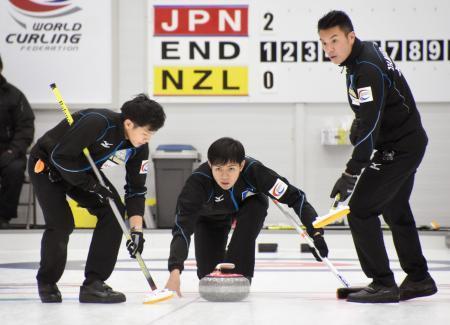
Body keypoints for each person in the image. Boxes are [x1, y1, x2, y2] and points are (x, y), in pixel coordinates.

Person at [318, 10, 437, 303]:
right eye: (323, 43)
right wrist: (360, 124)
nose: (329, 49)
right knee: (395, 210)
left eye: (334, 40)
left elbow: (371, 125)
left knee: (360, 209)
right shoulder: (357, 60)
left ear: (350, 37)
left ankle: (383, 282)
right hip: (405, 142)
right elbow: (373, 112)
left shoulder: (366, 68)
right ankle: (419, 278)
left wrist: (351, 172)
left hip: (400, 148)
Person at [28, 94, 165, 303]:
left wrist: (137, 230)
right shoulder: (98, 123)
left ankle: (94, 283)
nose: (148, 138)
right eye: (146, 132)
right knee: (62, 223)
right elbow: (60, 157)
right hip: (48, 166)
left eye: (152, 134)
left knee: (113, 210)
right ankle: (47, 281)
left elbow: (137, 189)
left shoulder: (139, 148)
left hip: (82, 171)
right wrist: (92, 186)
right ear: (129, 123)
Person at [164, 137, 328, 296]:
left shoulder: (255, 172)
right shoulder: (198, 183)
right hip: (209, 217)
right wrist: (175, 270)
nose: (225, 176)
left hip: (247, 209)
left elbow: (296, 197)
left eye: (231, 168)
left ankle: (239, 265)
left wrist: (316, 232)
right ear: (209, 165)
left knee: (256, 206)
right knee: (208, 279)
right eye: (218, 169)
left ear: (241, 165)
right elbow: (182, 227)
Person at [0, 54, 35, 229]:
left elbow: (26, 128)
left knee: (14, 169)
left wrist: (12, 152)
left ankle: (3, 217)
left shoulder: (14, 96)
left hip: (10, 151)